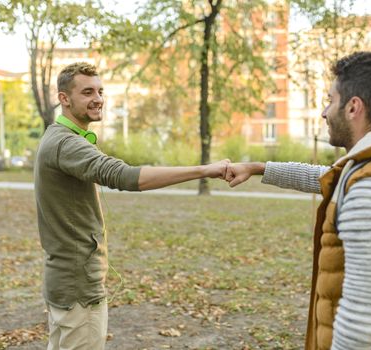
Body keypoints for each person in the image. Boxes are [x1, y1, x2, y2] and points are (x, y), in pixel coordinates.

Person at [225, 51, 371, 350]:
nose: (323, 112)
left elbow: (361, 323)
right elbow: (326, 177)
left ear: (353, 107)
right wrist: (257, 168)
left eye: (330, 100)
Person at [34, 62, 229, 350]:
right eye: (87, 92)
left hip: (65, 280)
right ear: (64, 98)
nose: (98, 99)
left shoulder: (60, 138)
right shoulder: (66, 144)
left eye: (100, 91)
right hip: (77, 285)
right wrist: (205, 170)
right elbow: (124, 176)